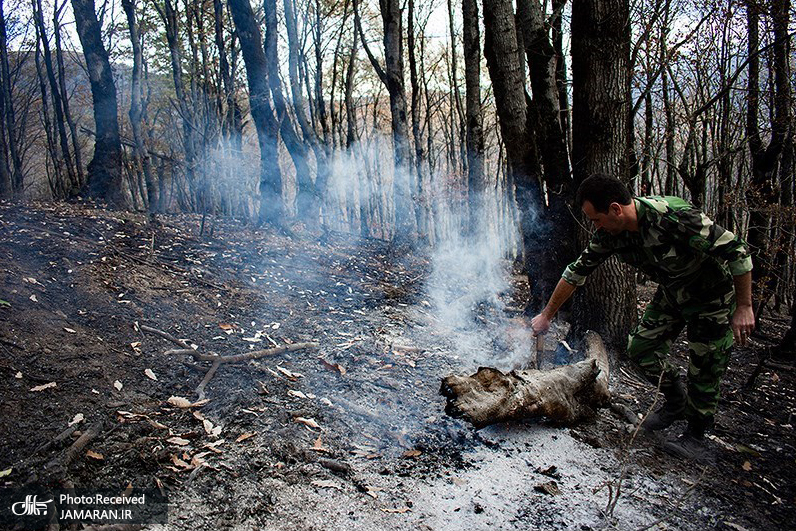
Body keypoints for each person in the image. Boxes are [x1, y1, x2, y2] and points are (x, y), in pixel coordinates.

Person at [531, 174, 755, 460]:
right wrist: (547, 315)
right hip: (674, 293)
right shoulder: (612, 233)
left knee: (704, 363)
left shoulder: (675, 218)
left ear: (615, 209)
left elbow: (736, 250)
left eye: (596, 219)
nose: (595, 227)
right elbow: (576, 272)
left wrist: (745, 306)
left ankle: (697, 435)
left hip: (711, 296)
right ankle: (676, 402)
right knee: (640, 348)